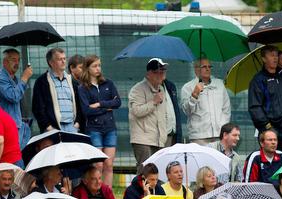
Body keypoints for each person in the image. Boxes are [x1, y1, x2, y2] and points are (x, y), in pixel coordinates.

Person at [128, 58, 180, 171]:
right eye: (159, 71)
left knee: (159, 172)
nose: (162, 74)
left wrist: (163, 138)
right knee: (144, 172)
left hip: (159, 140)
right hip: (143, 140)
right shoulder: (137, 89)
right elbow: (136, 111)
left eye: (163, 71)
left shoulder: (161, 89)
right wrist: (154, 102)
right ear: (149, 73)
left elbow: (163, 116)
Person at [248, 45, 282, 160]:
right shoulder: (258, 80)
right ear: (264, 59)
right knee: (272, 164)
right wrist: (268, 127)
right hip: (270, 131)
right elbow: (255, 107)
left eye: (276, 55)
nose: (275, 58)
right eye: (271, 55)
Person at [78, 55, 121, 186]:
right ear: (87, 68)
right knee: (98, 164)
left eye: (99, 65)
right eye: (94, 66)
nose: (98, 68)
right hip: (94, 129)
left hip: (110, 128)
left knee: (109, 163)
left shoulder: (108, 83)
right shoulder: (82, 88)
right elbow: (87, 111)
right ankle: (96, 191)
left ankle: (107, 193)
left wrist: (99, 104)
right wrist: (107, 108)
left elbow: (117, 102)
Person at [33, 48, 83, 137]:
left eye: (64, 58)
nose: (63, 61)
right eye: (60, 59)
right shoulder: (42, 81)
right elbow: (37, 107)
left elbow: (80, 104)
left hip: (72, 127)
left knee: (71, 151)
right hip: (52, 129)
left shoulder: (72, 81)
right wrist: (48, 127)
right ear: (51, 62)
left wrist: (77, 123)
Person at [181, 58, 231, 144]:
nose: (208, 69)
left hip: (219, 135)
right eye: (204, 66)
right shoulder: (187, 87)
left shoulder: (219, 84)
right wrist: (194, 94)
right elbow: (187, 111)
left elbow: (226, 109)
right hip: (199, 136)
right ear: (196, 69)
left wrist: (223, 128)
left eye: (209, 66)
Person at [0, 48, 33, 149]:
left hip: (17, 126)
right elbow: (13, 96)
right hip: (4, 128)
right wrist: (25, 78)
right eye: (13, 60)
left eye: (18, 60)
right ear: (5, 62)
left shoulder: (14, 78)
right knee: (12, 161)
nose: (17, 63)